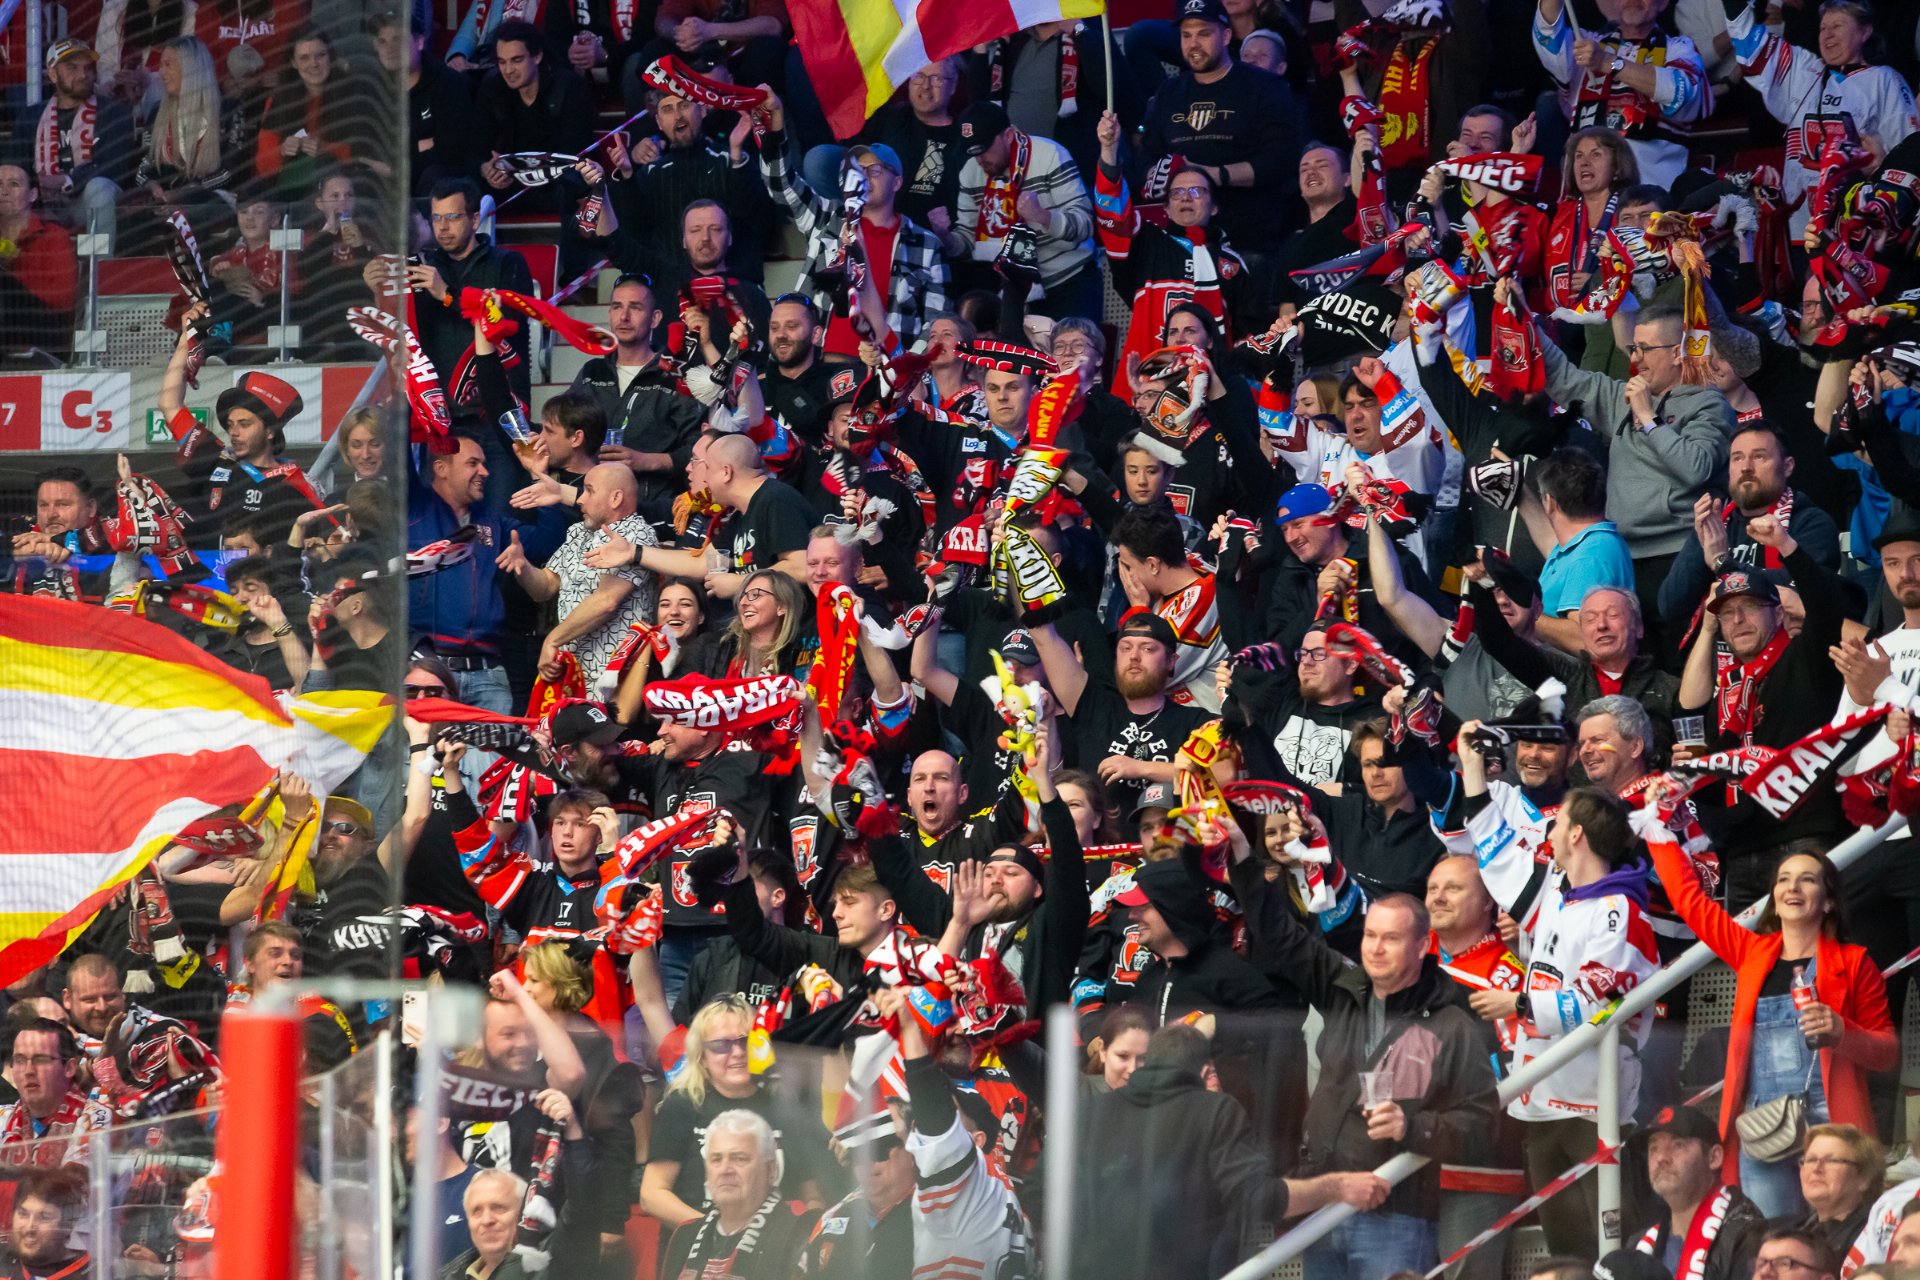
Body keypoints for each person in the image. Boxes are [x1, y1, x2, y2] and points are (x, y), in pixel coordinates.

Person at [1231, 819, 1499, 1280]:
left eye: (1390, 939)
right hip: (1323, 1204)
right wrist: (1240, 856)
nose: (1375, 949)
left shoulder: (1453, 1023)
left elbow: (1482, 1125)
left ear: (1422, 946)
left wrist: (1411, 1126)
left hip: (1396, 1213)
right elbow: (1279, 935)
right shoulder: (1342, 988)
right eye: (1370, 936)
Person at [1643, 800, 1896, 1218]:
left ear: (1828, 902)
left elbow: (1886, 1052)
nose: (1793, 888)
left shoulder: (1855, 963)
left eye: (1807, 880)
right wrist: (1657, 830)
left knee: (1836, 1237)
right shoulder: (1750, 952)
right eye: (1784, 880)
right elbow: (1690, 902)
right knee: (1771, 1240)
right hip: (1763, 1122)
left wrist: (1842, 1032)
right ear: (1774, 900)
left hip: (1833, 1122)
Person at [1073, 1022, 1391, 1280]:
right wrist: (1338, 1186)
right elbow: (1259, 1198)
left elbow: (1053, 1195)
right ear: (1204, 1071)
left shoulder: (1091, 1113)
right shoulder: (1215, 1111)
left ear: (1148, 1061)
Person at [1677, 528, 1849, 902]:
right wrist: (1697, 768)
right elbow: (1688, 710)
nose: (1738, 619)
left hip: (1803, 838)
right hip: (1741, 849)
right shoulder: (1727, 689)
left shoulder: (1805, 657)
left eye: (1751, 607)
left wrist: (1787, 547)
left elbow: (1827, 606)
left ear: (1778, 612)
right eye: (1727, 614)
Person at [759, 92, 951, 357]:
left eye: (875, 171)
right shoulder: (827, 218)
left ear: (897, 182)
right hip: (821, 365)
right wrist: (775, 125)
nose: (863, 178)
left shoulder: (927, 245)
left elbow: (936, 321)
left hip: (883, 371)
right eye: (857, 172)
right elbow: (781, 184)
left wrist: (901, 363)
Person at [1723, 0, 1919, 236]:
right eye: (1823, 28)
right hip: (1798, 227)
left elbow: (1910, 158)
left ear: (1865, 32)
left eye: (1837, 26)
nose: (1828, 34)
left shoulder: (1885, 80)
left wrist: (1879, 164)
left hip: (1856, 231)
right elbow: (1751, 46)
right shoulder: (1802, 72)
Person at [641, 997, 833, 1229]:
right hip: (698, 1243)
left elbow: (812, 1196)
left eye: (746, 1041)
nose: (738, 1052)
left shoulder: (782, 1104)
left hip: (769, 1246)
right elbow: (652, 1194)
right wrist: (716, 1233)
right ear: (702, 1057)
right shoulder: (683, 1103)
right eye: (721, 1045)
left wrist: (800, 1233)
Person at [1136, 0, 1302, 259]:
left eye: (1203, 33)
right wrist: (1161, 175)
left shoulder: (1264, 86)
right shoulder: (1169, 91)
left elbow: (1282, 159)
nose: (1193, 44)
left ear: (1225, 36)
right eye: (1186, 35)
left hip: (1249, 242)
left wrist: (1214, 174)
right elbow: (1147, 157)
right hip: (1182, 244)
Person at [1657, 422, 1844, 633]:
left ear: (1787, 466)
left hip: (1790, 647)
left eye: (1759, 456)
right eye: (1737, 458)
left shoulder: (1811, 523)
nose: (1746, 467)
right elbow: (1671, 607)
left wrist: (1722, 562)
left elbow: (1797, 590)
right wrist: (1701, 547)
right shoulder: (1716, 523)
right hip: (1718, 649)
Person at [588, 432, 817, 599]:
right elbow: (702, 563)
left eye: (707, 467)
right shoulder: (740, 514)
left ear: (726, 472)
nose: (703, 477)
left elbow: (800, 568)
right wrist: (633, 552)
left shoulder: (776, 499)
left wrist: (741, 583)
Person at [495, 462, 657, 686]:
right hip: (573, 674)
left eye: (589, 491)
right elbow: (545, 587)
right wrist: (522, 566)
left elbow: (606, 601)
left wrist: (553, 640)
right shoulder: (579, 532)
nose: (580, 499)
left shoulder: (635, 534)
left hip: (614, 677)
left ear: (616, 498)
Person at [944, 100, 1098, 320]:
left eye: (985, 149)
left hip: (1070, 280)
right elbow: (968, 243)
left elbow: (1086, 224)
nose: (979, 160)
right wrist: (946, 238)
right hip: (1013, 288)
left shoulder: (1050, 155)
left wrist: (1043, 217)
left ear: (1008, 135)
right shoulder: (970, 172)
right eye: (973, 152)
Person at [1531, 0, 1710, 189]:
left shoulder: (1680, 49)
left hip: (1647, 199)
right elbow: (1547, 33)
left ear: (1663, 3)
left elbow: (1678, 92)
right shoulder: (1587, 44)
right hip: (1584, 201)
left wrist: (1608, 62)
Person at [659, 1110, 818, 1280]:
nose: (725, 1170)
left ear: (770, 1169)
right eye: (716, 1159)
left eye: (739, 1159)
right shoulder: (685, 1235)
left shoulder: (797, 1232)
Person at [474, 21, 592, 216]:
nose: (508, 70)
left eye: (516, 60)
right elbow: (476, 146)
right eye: (502, 62)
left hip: (554, 180)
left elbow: (573, 153)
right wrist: (486, 168)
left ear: (537, 56)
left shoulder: (568, 86)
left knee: (572, 182)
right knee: (466, 186)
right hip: (510, 183)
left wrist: (516, 169)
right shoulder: (492, 87)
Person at [1635, 1107, 1766, 1280]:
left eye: (1678, 1145)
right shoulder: (1638, 1244)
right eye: (1654, 1148)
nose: (1661, 1158)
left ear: (1714, 1158)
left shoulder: (1746, 1237)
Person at [30, 39, 137, 234]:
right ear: (52, 74)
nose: (83, 75)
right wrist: (39, 184)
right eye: (72, 67)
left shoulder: (114, 112)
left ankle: (97, 255)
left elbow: (116, 169)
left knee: (99, 187)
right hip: (40, 205)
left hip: (87, 205)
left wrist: (65, 181)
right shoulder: (30, 117)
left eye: (88, 68)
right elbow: (14, 167)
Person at [1544, 128, 1640, 315]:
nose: (1584, 162)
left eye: (1595, 154)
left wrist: (1596, 282)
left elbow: (1647, 278)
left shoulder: (1633, 213)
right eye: (1579, 156)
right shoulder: (1559, 214)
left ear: (1617, 167)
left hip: (1614, 319)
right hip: (1562, 320)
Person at [0, 1019, 108, 1167]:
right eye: (20, 1060)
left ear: (69, 1068)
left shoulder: (96, 1117)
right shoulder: (3, 1118)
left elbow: (74, 1179)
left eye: (41, 1060)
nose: (28, 1071)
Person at [0, 165, 78, 360]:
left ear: (33, 194)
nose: (4, 191)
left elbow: (63, 299)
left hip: (45, 328)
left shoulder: (53, 235)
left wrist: (13, 275)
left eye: (14, 184)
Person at [1785, 1126, 1885, 1260]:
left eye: (1832, 1160)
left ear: (1864, 1178)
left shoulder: (1874, 1237)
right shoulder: (1793, 1231)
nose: (1816, 1168)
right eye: (1811, 1159)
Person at [439, 1167, 531, 1280]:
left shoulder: (546, 1271)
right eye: (477, 1211)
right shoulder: (448, 1277)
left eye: (498, 1208)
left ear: (524, 1212)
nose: (486, 1220)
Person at [4, 1168, 88, 1277]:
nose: (29, 1228)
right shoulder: (4, 1262)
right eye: (23, 1214)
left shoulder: (96, 1273)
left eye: (44, 1217)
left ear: (67, 1225)